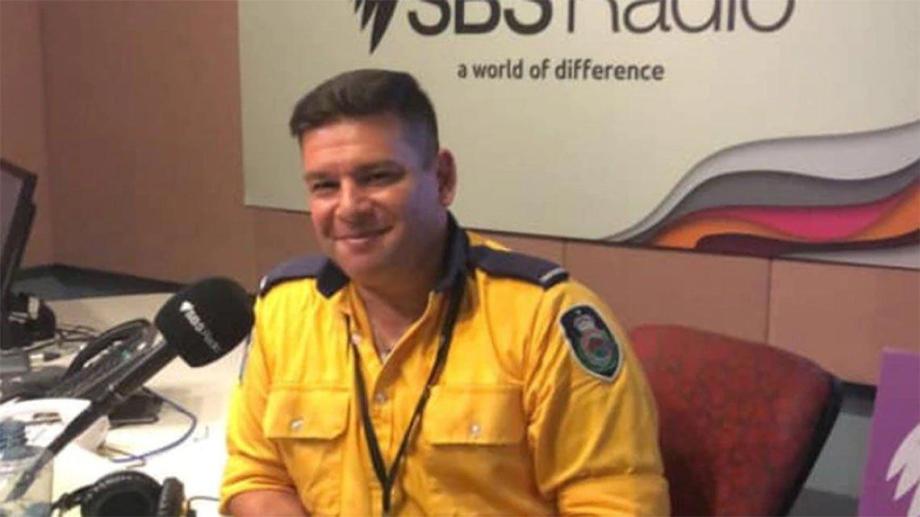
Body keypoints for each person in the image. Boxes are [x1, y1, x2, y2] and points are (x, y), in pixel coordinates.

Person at [220, 69, 669, 516]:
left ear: (443, 178)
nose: (349, 206)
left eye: (377, 177)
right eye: (325, 186)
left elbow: (617, 505)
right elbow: (256, 475)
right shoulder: (283, 308)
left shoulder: (546, 319)